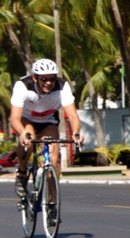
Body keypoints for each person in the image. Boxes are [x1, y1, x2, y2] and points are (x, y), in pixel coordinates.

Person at [10, 59, 84, 196]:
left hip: (48, 122)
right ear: (35, 77)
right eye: (44, 79)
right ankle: (22, 172)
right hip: (26, 120)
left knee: (54, 160)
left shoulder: (62, 87)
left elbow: (73, 116)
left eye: (52, 79)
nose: (48, 83)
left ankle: (52, 202)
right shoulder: (23, 86)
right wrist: (22, 132)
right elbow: (14, 118)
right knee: (29, 140)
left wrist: (76, 133)